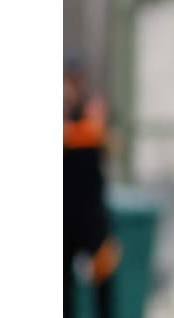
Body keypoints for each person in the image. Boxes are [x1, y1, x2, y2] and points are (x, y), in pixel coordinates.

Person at [64, 58, 121, 318]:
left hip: (92, 211)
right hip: (64, 210)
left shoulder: (94, 112)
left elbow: (112, 146)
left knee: (103, 278)